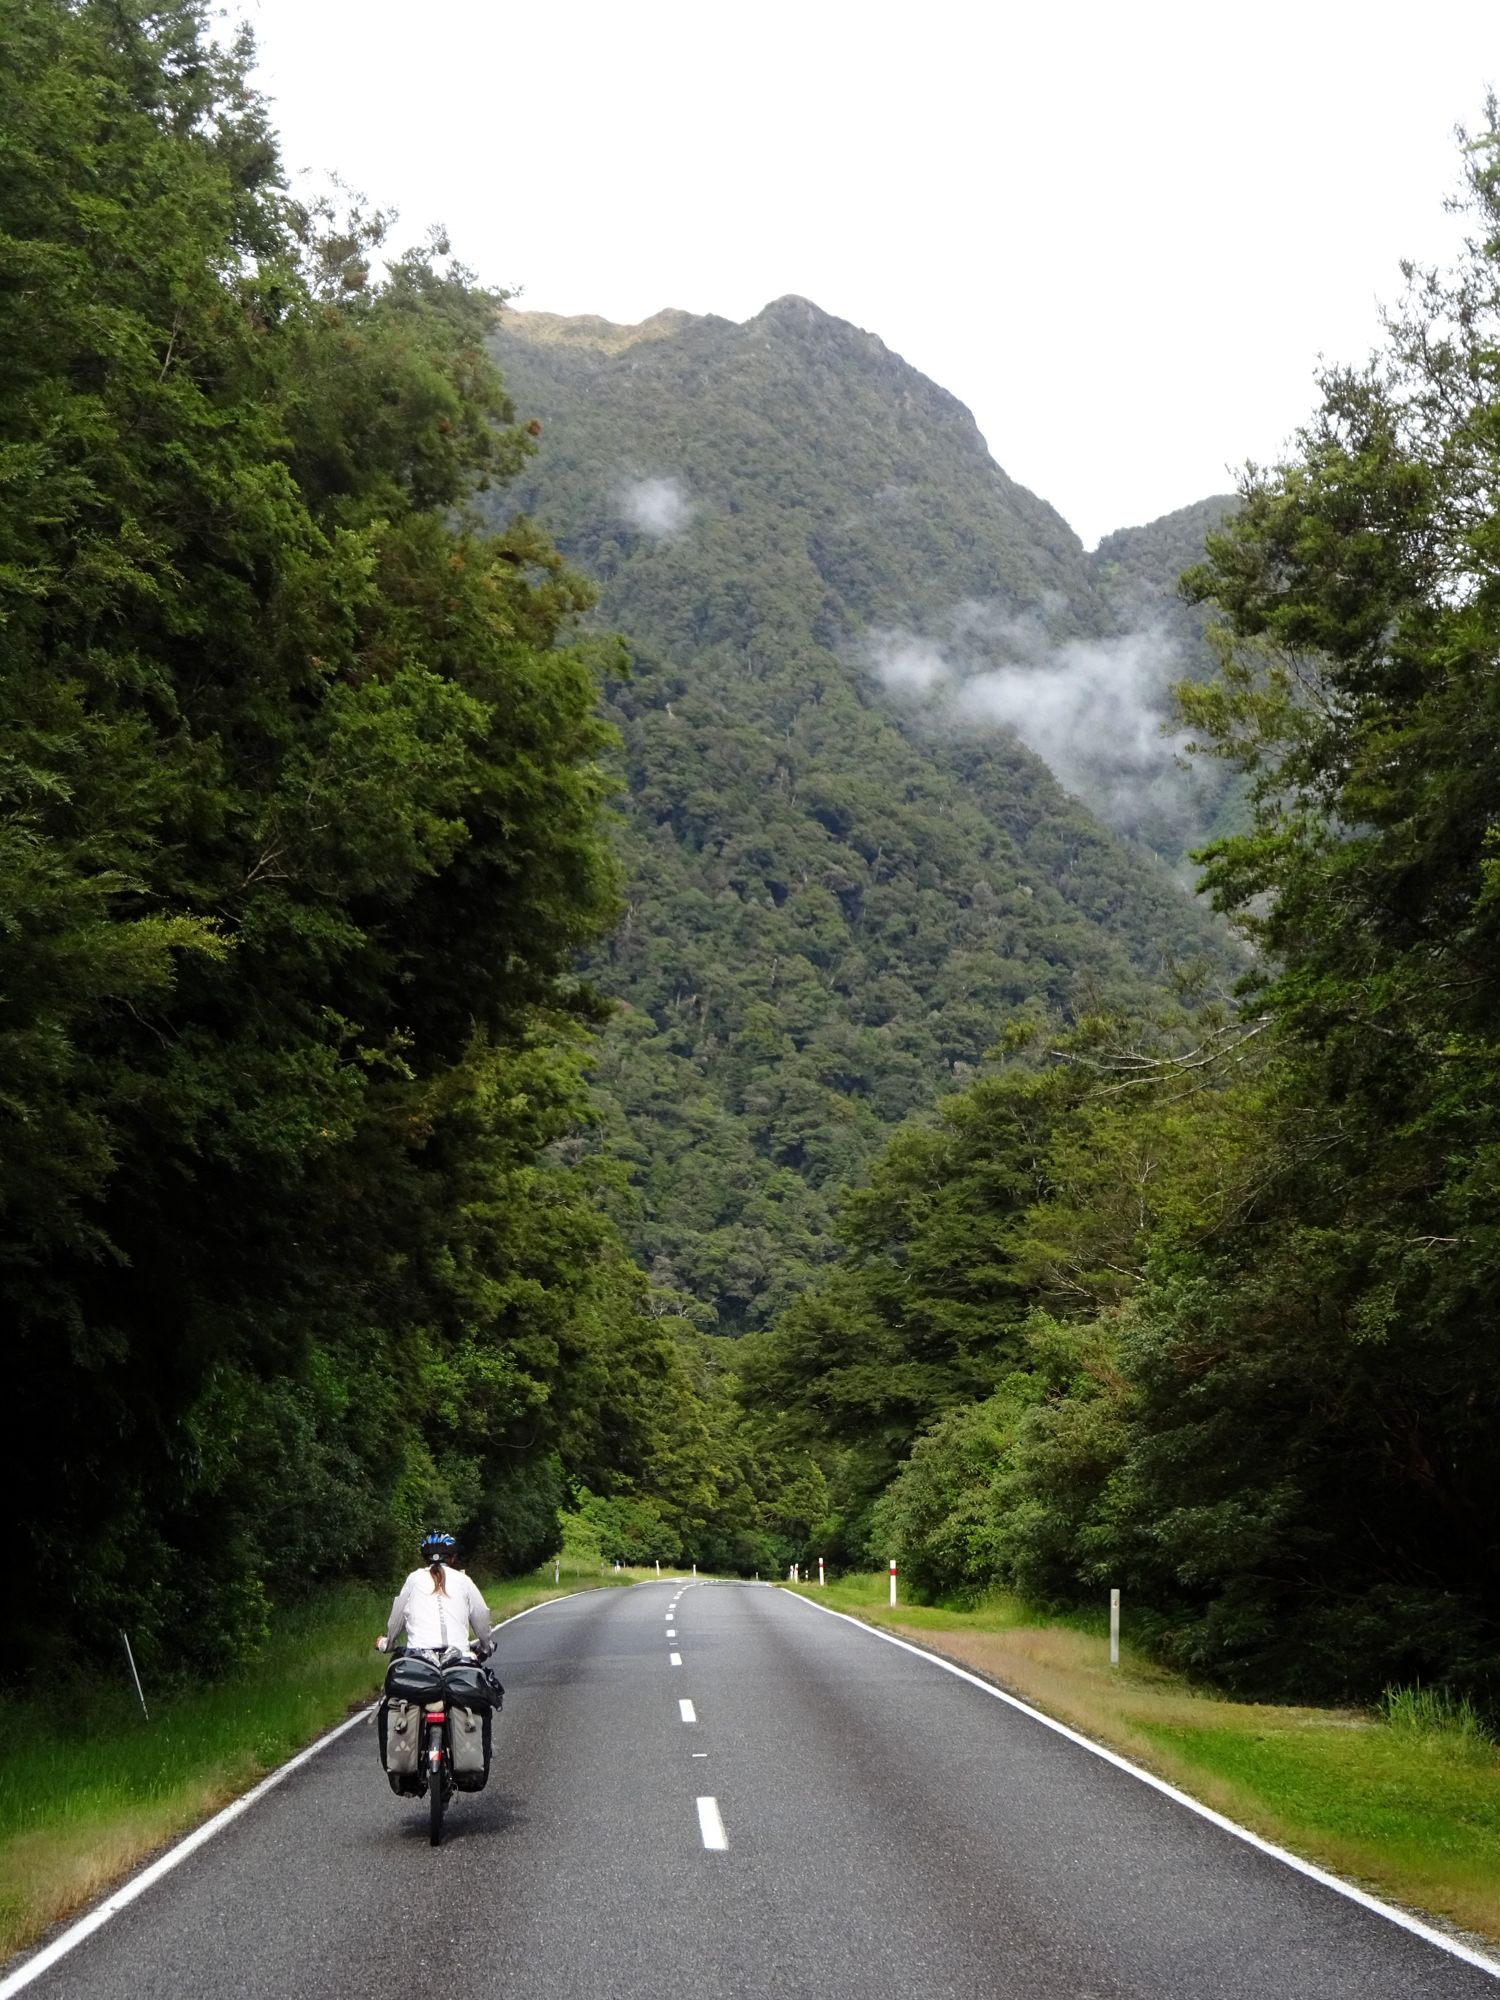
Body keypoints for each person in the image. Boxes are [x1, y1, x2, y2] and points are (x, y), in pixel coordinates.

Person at [375, 1530, 496, 1658]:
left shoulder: (414, 1578)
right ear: (452, 1558)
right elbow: (481, 1615)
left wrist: (389, 1643)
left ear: (425, 1558)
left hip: (418, 1657)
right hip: (459, 1656)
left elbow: (397, 1618)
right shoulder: (463, 1580)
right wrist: (486, 1646)